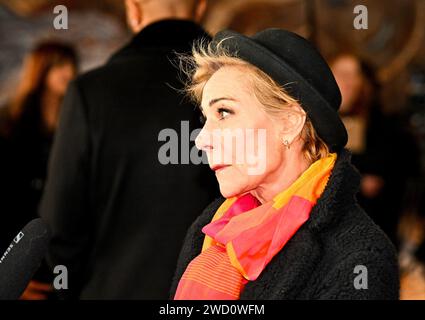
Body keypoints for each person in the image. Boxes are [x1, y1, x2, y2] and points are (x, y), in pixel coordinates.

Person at [170, 29, 399, 300]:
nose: (202, 140)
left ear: (290, 123)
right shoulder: (210, 227)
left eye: (224, 112)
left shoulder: (359, 258)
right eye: (205, 118)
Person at [39, 0, 217, 299]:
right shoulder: (240, 90)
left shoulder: (91, 93)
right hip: (222, 294)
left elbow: (59, 224)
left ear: (133, 10)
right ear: (201, 8)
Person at [0, 41, 78, 299]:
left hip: (63, 247)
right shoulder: (12, 124)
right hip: (19, 241)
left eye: (70, 65)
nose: (68, 72)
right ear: (41, 70)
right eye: (59, 65)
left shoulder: (78, 122)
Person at [330, 53, 420, 248]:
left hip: (373, 238)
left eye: (353, 75)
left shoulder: (390, 132)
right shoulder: (317, 126)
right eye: (340, 73)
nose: (346, 82)